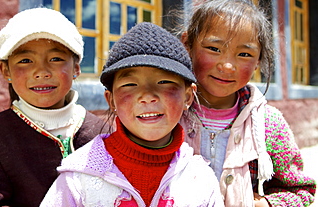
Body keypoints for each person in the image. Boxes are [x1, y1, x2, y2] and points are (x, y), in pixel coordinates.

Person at [40, 22, 224, 207]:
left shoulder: (199, 178)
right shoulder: (80, 177)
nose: (147, 96)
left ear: (187, 96)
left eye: (164, 82)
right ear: (111, 100)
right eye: (130, 85)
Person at [0, 7, 106, 207]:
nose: (41, 71)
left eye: (56, 59)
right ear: (5, 70)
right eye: (25, 61)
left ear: (76, 68)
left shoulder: (102, 133)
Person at [178, 0, 316, 206]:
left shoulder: (267, 124)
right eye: (214, 49)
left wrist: (269, 204)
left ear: (259, 60)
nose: (227, 65)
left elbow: (299, 190)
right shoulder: (169, 114)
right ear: (187, 44)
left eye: (244, 54)